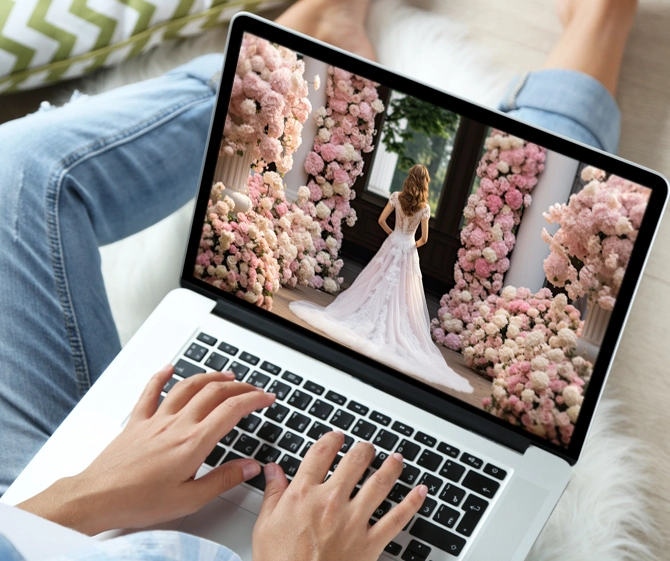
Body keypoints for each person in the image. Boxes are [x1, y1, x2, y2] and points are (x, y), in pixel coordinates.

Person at [0, 0, 639, 559]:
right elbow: (405, 226)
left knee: (17, 170)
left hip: (38, 524)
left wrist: (79, 497)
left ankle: (308, 35)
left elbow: (400, 222)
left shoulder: (406, 201)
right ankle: (595, 35)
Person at [290, 164, 474, 393]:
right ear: (424, 182)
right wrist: (409, 244)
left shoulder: (397, 197)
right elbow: (424, 239)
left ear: (409, 178)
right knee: (404, 292)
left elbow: (381, 220)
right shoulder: (424, 207)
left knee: (377, 280)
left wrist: (394, 236)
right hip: (407, 248)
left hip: (392, 243)